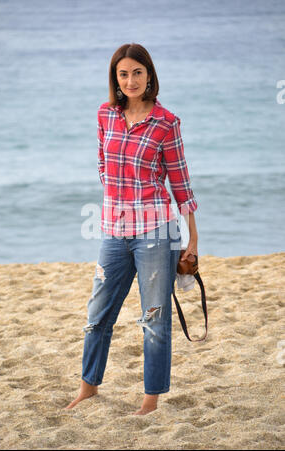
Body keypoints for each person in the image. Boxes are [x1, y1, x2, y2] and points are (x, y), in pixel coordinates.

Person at [65, 43, 198, 415]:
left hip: (156, 232)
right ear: (116, 79)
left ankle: (151, 400)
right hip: (112, 231)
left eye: (137, 72)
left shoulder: (166, 122)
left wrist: (193, 239)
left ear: (149, 75)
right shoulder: (106, 114)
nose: (131, 80)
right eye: (123, 74)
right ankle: (88, 387)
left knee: (154, 319)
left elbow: (180, 184)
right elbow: (103, 166)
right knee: (97, 314)